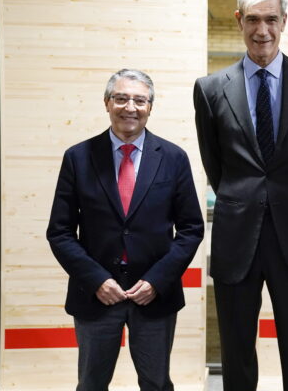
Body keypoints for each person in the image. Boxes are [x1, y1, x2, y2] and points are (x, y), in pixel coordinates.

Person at [193, 0, 288, 391]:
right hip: (235, 238)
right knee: (237, 352)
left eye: (271, 19)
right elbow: (215, 165)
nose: (262, 31)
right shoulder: (209, 90)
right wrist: (246, 200)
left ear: (284, 21)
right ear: (238, 20)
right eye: (253, 20)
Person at [47, 69, 204, 390]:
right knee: (91, 383)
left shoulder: (174, 158)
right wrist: (96, 280)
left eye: (139, 100)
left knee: (156, 382)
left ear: (150, 107)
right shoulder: (78, 158)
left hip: (154, 296)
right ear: (107, 103)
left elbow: (191, 228)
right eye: (121, 98)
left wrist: (157, 281)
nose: (130, 107)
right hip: (96, 295)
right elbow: (60, 231)